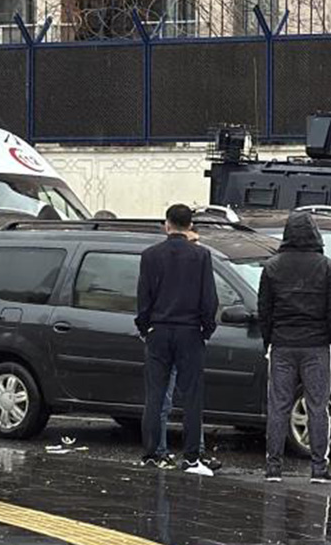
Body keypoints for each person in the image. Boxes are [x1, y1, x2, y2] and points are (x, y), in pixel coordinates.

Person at [258, 211, 331, 484]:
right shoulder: (326, 266)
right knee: (318, 406)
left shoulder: (272, 266)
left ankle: (274, 467)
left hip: (282, 343)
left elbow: (264, 310)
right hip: (316, 344)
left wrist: (268, 339)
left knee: (279, 406)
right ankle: (319, 468)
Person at [135, 204, 219, 476]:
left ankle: (151, 453)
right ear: (190, 226)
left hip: (158, 330)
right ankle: (192, 456)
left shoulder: (150, 256)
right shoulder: (201, 256)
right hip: (190, 331)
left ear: (167, 224)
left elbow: (143, 298)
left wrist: (144, 326)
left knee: (155, 395)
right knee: (192, 397)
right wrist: (206, 330)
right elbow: (209, 299)